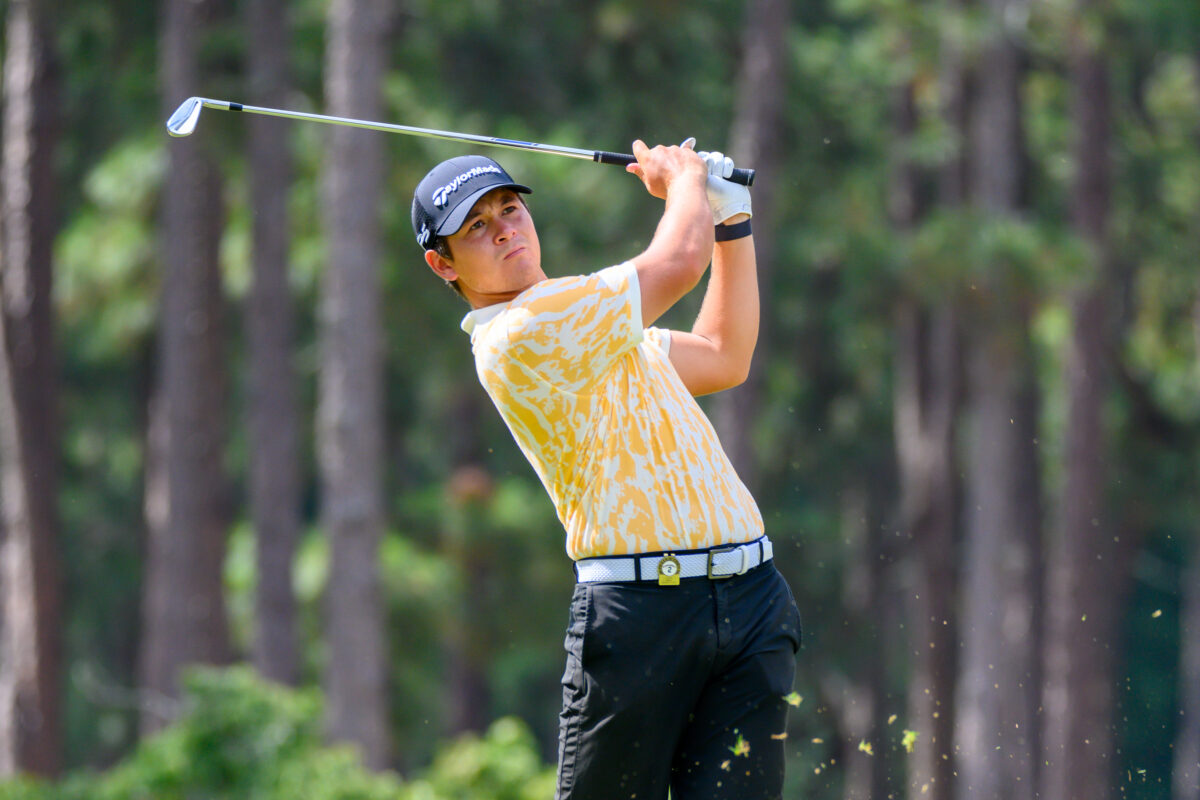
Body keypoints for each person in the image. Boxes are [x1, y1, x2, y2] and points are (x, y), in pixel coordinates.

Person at [411, 139, 802, 800]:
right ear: (442, 264)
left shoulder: (590, 323)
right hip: (640, 619)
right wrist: (685, 180)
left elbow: (722, 354)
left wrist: (731, 219)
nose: (503, 229)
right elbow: (677, 263)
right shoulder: (520, 335)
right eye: (475, 226)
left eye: (509, 209)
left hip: (750, 601)